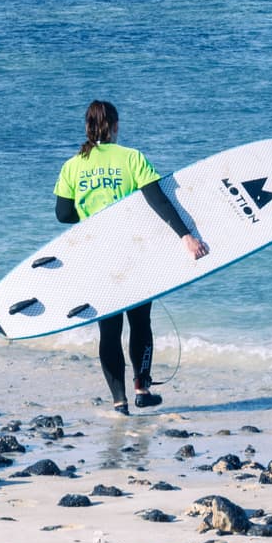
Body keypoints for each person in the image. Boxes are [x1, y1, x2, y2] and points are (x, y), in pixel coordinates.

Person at [54, 101, 208, 414]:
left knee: (109, 331)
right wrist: (186, 236)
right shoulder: (132, 158)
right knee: (140, 322)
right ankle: (142, 388)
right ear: (115, 126)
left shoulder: (72, 166)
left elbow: (63, 214)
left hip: (96, 257)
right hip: (134, 255)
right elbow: (158, 201)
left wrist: (89, 214)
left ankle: (119, 401)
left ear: (87, 127)